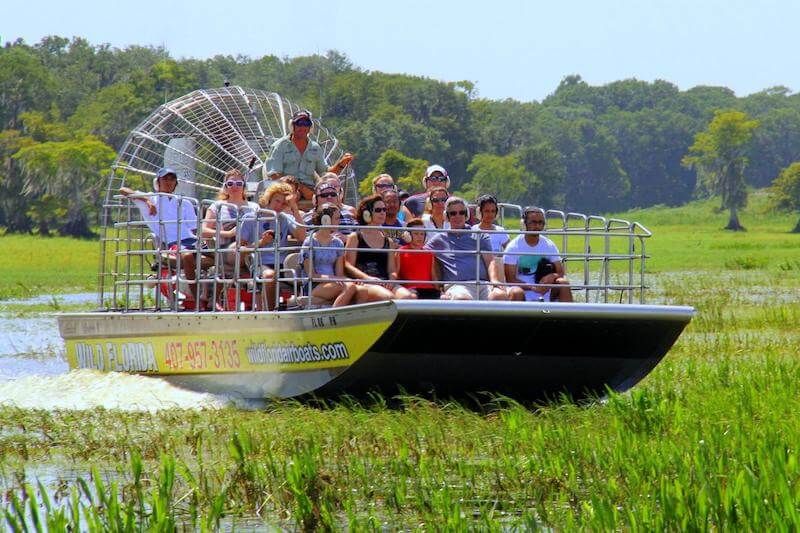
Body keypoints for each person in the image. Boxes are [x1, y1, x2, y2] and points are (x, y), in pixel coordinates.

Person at [120, 167, 212, 306]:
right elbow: (123, 190)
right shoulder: (151, 198)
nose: (169, 182)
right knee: (187, 256)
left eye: (172, 179)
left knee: (223, 255)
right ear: (158, 181)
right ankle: (197, 298)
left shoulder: (184, 202)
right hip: (171, 243)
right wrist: (147, 201)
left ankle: (214, 298)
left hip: (191, 241)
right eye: (165, 179)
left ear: (176, 183)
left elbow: (194, 229)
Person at [425, 197, 507, 301]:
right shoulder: (439, 239)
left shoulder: (480, 235)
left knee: (499, 296)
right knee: (462, 298)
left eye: (461, 212)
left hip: (482, 284)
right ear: (447, 216)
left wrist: (494, 281)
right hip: (457, 286)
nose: (458, 216)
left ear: (466, 215)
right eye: (453, 213)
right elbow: (419, 252)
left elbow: (490, 261)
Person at [241, 182, 307, 310]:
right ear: (269, 199)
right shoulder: (250, 218)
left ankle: (300, 309)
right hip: (260, 263)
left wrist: (294, 207)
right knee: (269, 276)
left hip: (283, 264)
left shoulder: (286, 218)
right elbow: (240, 249)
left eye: (284, 203)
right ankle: (272, 313)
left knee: (306, 273)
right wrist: (262, 242)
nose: (280, 206)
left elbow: (302, 236)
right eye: (277, 201)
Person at [264, 109, 353, 200]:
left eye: (306, 124)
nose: (303, 127)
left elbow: (325, 172)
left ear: (310, 128)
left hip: (311, 190)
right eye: (299, 123)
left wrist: (341, 164)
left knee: (330, 197)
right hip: (286, 189)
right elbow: (275, 174)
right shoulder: (280, 146)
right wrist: (300, 188)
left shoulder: (315, 148)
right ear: (292, 126)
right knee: (294, 197)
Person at [344, 195, 416, 301]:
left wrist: (391, 280)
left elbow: (392, 270)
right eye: (378, 210)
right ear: (367, 213)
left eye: (384, 209)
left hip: (385, 282)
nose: (383, 213)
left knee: (407, 297)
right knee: (388, 297)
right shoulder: (355, 237)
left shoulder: (389, 241)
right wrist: (367, 278)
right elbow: (348, 265)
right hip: (365, 282)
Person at [505, 207, 573, 303]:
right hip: (522, 290)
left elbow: (561, 272)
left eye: (540, 222)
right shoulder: (513, 247)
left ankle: (567, 316)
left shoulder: (549, 245)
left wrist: (551, 276)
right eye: (533, 222)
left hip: (545, 290)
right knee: (516, 292)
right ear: (524, 224)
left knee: (563, 283)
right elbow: (510, 279)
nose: (537, 226)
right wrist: (533, 287)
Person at [299, 204, 359, 307]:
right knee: (350, 287)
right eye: (336, 219)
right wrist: (332, 278)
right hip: (314, 285)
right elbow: (311, 275)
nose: (339, 222)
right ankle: (334, 315)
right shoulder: (309, 243)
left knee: (355, 287)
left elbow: (339, 274)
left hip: (333, 282)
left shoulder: (338, 243)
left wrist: (350, 279)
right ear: (326, 220)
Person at [201, 170, 259, 270]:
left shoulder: (254, 207)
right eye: (230, 183)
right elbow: (203, 231)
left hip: (251, 246)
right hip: (227, 249)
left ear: (244, 187)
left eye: (239, 184)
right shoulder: (217, 206)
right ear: (225, 187)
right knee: (240, 249)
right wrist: (228, 233)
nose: (234, 186)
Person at [397, 218, 440, 299]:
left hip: (429, 290)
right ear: (408, 235)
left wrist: (439, 290)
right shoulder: (401, 252)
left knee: (445, 298)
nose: (419, 237)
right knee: (412, 297)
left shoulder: (429, 253)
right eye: (416, 233)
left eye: (422, 234)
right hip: (411, 290)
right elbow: (396, 274)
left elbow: (433, 276)